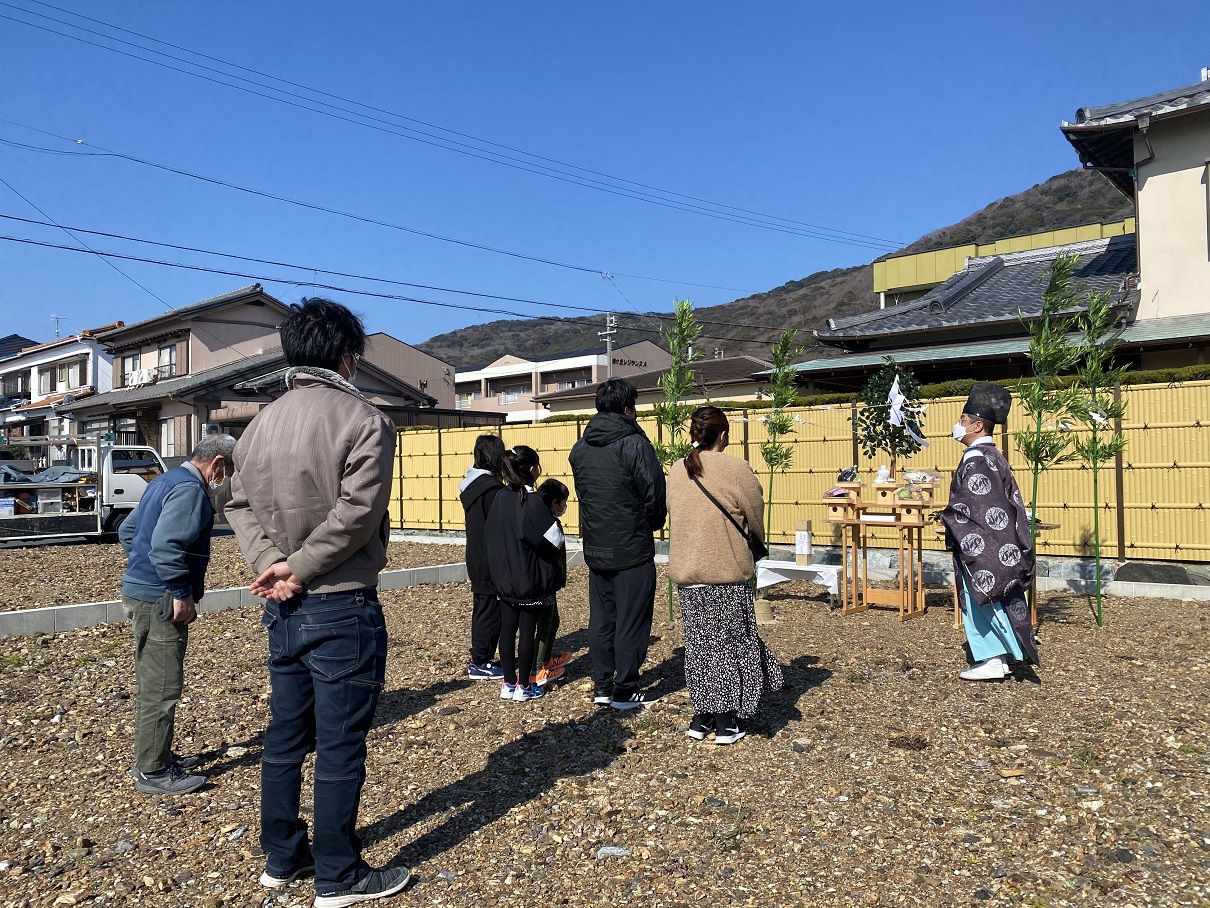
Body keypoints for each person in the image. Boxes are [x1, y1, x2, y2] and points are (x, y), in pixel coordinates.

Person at [225, 297, 409, 906]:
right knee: (338, 742)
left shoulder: (258, 425)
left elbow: (238, 505)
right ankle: (338, 873)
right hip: (340, 598)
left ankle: (281, 856)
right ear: (347, 356)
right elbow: (357, 513)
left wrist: (268, 565)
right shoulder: (363, 420)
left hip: (281, 603)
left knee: (284, 736)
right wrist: (297, 567)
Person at [119, 433, 236, 794]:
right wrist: (179, 592)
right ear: (217, 464)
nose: (228, 479)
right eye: (230, 470)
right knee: (163, 685)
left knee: (153, 680)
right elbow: (166, 546)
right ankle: (152, 771)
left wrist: (141, 570)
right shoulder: (190, 491)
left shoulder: (165, 480)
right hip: (161, 601)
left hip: (141, 593)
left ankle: (157, 755)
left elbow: (128, 531)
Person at [667, 407, 783, 744]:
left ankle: (701, 716)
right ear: (722, 435)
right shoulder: (735, 468)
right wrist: (756, 544)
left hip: (689, 570)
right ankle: (727, 720)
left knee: (700, 645)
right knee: (732, 644)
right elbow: (755, 513)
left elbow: (676, 511)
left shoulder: (678, 469)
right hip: (726, 568)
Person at [569, 378, 667, 710]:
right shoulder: (634, 445)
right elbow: (654, 494)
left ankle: (602, 686)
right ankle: (624, 689)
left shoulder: (580, 449)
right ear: (628, 408)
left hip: (597, 547)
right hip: (632, 547)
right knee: (632, 619)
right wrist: (651, 524)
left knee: (602, 618)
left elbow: (587, 496)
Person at [940, 382, 1040, 681]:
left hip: (982, 543)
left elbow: (973, 505)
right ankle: (1004, 655)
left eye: (962, 420)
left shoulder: (976, 459)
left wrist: (948, 519)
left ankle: (993, 659)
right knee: (998, 597)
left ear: (977, 425)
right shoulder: (994, 456)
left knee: (982, 597)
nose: (958, 426)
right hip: (1000, 540)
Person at [485, 446, 567, 702]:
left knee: (507, 630)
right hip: (529, 577)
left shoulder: (500, 497)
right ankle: (524, 685)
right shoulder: (532, 502)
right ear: (533, 470)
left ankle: (508, 683)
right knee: (527, 630)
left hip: (503, 576)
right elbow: (553, 540)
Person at [459, 434, 506, 680]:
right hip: (489, 559)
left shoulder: (472, 485)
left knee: (483, 607)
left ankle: (480, 656)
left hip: (476, 555)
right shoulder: (492, 489)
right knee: (489, 611)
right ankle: (480, 660)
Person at [532, 478, 572, 685]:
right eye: (563, 503)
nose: (564, 507)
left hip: (550, 580)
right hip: (543, 581)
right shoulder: (546, 521)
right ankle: (537, 668)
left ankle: (545, 659)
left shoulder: (543, 517)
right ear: (554, 502)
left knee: (552, 621)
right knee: (544, 623)